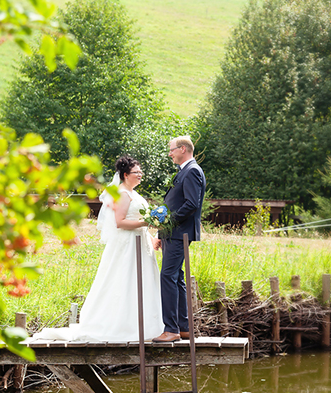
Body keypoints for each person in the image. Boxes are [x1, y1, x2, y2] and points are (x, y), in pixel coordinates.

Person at [33, 156, 164, 342]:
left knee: (141, 282)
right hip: (127, 246)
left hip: (140, 242)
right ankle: (122, 325)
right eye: (137, 172)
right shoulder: (123, 194)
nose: (140, 175)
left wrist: (150, 237)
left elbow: (136, 222)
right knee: (124, 281)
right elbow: (120, 222)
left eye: (141, 172)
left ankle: (141, 325)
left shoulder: (133, 194)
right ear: (126, 175)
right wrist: (147, 222)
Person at [153, 136, 206, 343]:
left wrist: (169, 222)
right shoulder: (184, 171)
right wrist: (161, 232)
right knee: (177, 278)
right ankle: (184, 328)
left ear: (183, 149)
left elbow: (192, 204)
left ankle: (171, 329)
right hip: (173, 233)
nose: (170, 153)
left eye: (172, 149)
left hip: (179, 233)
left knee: (167, 276)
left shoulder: (192, 170)